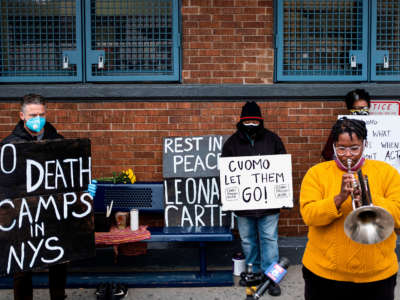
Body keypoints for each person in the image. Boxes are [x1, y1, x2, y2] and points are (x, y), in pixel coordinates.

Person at [300, 117, 400, 300]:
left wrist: (369, 197)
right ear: (333, 147)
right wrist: (338, 199)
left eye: (354, 148)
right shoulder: (316, 174)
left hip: (377, 275)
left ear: (364, 145)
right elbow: (309, 216)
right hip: (324, 275)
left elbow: (399, 216)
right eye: (341, 148)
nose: (348, 155)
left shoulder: (387, 172)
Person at [1, 94, 67, 300]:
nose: (37, 118)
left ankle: (58, 297)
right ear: (22, 115)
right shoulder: (9, 145)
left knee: (59, 259)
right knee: (22, 264)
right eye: (32, 115)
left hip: (51, 210)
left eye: (41, 114)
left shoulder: (59, 141)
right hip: (23, 213)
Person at [221, 101, 286, 297]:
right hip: (243, 205)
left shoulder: (273, 140)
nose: (251, 123)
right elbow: (226, 175)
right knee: (248, 241)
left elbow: (281, 169)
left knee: (270, 240)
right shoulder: (231, 144)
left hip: (269, 204)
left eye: (254, 120)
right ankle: (253, 273)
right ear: (241, 121)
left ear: (260, 121)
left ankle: (271, 278)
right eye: (247, 120)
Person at [321, 89, 371, 161]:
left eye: (364, 108)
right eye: (356, 108)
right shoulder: (340, 128)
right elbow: (327, 153)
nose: (361, 111)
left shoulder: (378, 125)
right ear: (350, 109)